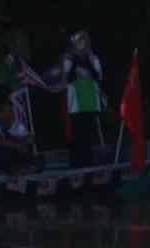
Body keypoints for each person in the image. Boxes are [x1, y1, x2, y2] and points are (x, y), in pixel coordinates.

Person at [61, 30, 104, 167]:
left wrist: (91, 60)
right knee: (77, 132)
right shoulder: (69, 58)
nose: (82, 43)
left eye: (84, 40)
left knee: (88, 133)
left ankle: (88, 162)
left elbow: (99, 75)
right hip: (76, 101)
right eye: (79, 40)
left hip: (90, 100)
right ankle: (76, 163)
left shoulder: (92, 58)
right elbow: (65, 78)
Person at [0, 101, 33, 173]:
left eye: (10, 111)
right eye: (6, 111)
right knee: (7, 149)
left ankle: (23, 168)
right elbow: (0, 141)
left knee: (25, 149)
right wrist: (18, 145)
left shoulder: (18, 125)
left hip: (14, 155)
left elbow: (29, 138)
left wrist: (26, 142)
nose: (9, 114)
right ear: (0, 114)